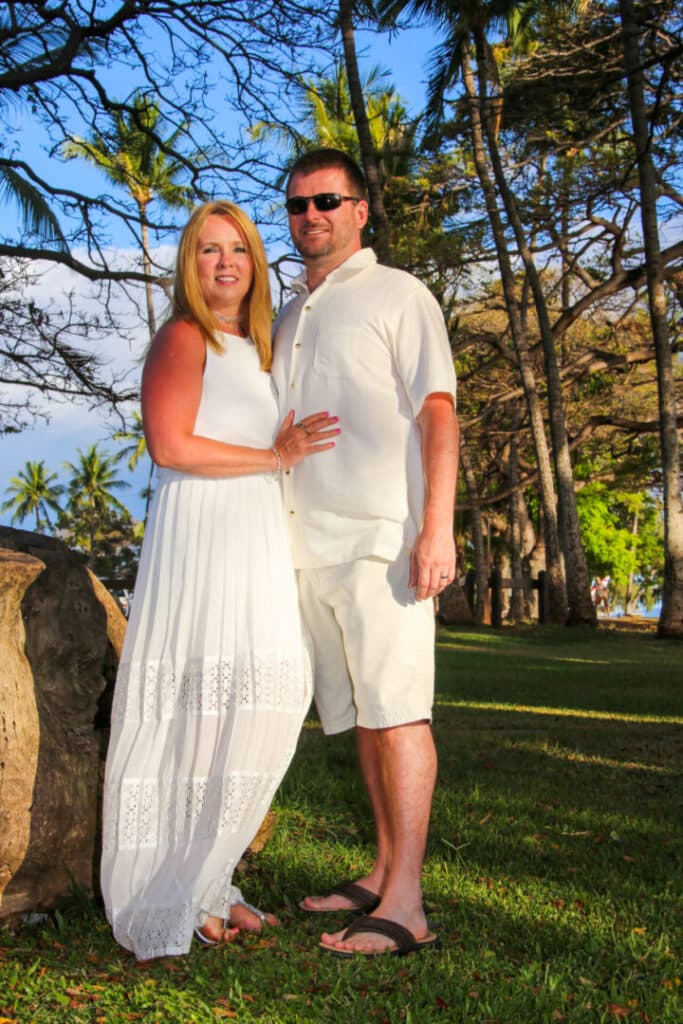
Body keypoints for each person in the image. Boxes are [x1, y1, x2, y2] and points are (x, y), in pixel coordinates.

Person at [100, 200, 339, 961]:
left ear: (256, 263)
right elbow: (170, 445)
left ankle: (208, 879)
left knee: (264, 696)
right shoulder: (183, 335)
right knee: (199, 711)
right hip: (200, 533)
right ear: (189, 265)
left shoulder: (259, 345)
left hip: (254, 533)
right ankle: (176, 891)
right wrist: (277, 457)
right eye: (208, 251)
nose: (225, 263)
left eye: (238, 249)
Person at [271, 149, 459, 958]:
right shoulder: (286, 313)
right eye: (296, 205)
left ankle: (407, 904)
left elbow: (438, 412)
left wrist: (436, 527)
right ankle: (383, 868)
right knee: (361, 720)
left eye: (325, 201)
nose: (309, 215)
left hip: (381, 535)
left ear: (360, 211)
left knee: (399, 711)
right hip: (304, 544)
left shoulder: (399, 293)